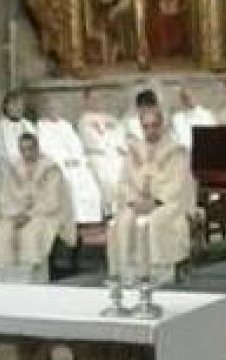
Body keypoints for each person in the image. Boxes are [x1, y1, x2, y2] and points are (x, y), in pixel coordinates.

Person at [108, 101, 195, 284]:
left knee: (154, 222)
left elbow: (177, 184)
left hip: (167, 204)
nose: (150, 131)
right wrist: (133, 201)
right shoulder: (134, 151)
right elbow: (124, 182)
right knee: (123, 221)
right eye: (145, 127)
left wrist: (154, 202)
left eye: (154, 126)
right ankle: (128, 273)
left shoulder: (176, 151)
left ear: (162, 125)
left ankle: (158, 273)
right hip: (138, 203)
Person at [0, 133, 75, 283]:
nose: (26, 153)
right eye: (22, 149)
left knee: (31, 235)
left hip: (44, 214)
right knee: (0, 233)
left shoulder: (50, 168)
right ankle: (2, 284)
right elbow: (6, 195)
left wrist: (29, 214)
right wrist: (15, 213)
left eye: (30, 149)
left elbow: (52, 200)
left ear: (37, 148)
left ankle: (32, 281)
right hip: (16, 214)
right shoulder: (15, 167)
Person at [35, 98, 105, 225]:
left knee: (92, 188)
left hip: (76, 164)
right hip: (60, 166)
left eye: (56, 109)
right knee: (71, 188)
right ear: (45, 111)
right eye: (50, 109)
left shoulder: (66, 125)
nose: (54, 111)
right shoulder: (41, 126)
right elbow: (46, 150)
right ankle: (75, 222)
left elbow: (77, 145)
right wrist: (64, 161)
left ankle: (91, 222)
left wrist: (78, 160)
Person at [78, 87, 128, 211]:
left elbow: (120, 134)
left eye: (98, 98)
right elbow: (92, 139)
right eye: (93, 99)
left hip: (115, 153)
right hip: (98, 155)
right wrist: (107, 143)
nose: (96, 101)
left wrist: (118, 146)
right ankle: (110, 210)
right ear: (86, 101)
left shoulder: (110, 118)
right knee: (107, 178)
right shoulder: (84, 120)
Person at [0, 90, 35, 181]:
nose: (18, 108)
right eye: (14, 104)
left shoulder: (28, 124)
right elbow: (5, 155)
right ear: (6, 106)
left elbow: (37, 147)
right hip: (8, 174)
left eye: (20, 105)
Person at [170, 84, 217, 150]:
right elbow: (174, 139)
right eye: (185, 97)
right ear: (181, 100)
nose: (189, 99)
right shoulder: (177, 118)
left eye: (191, 96)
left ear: (196, 96)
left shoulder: (207, 115)